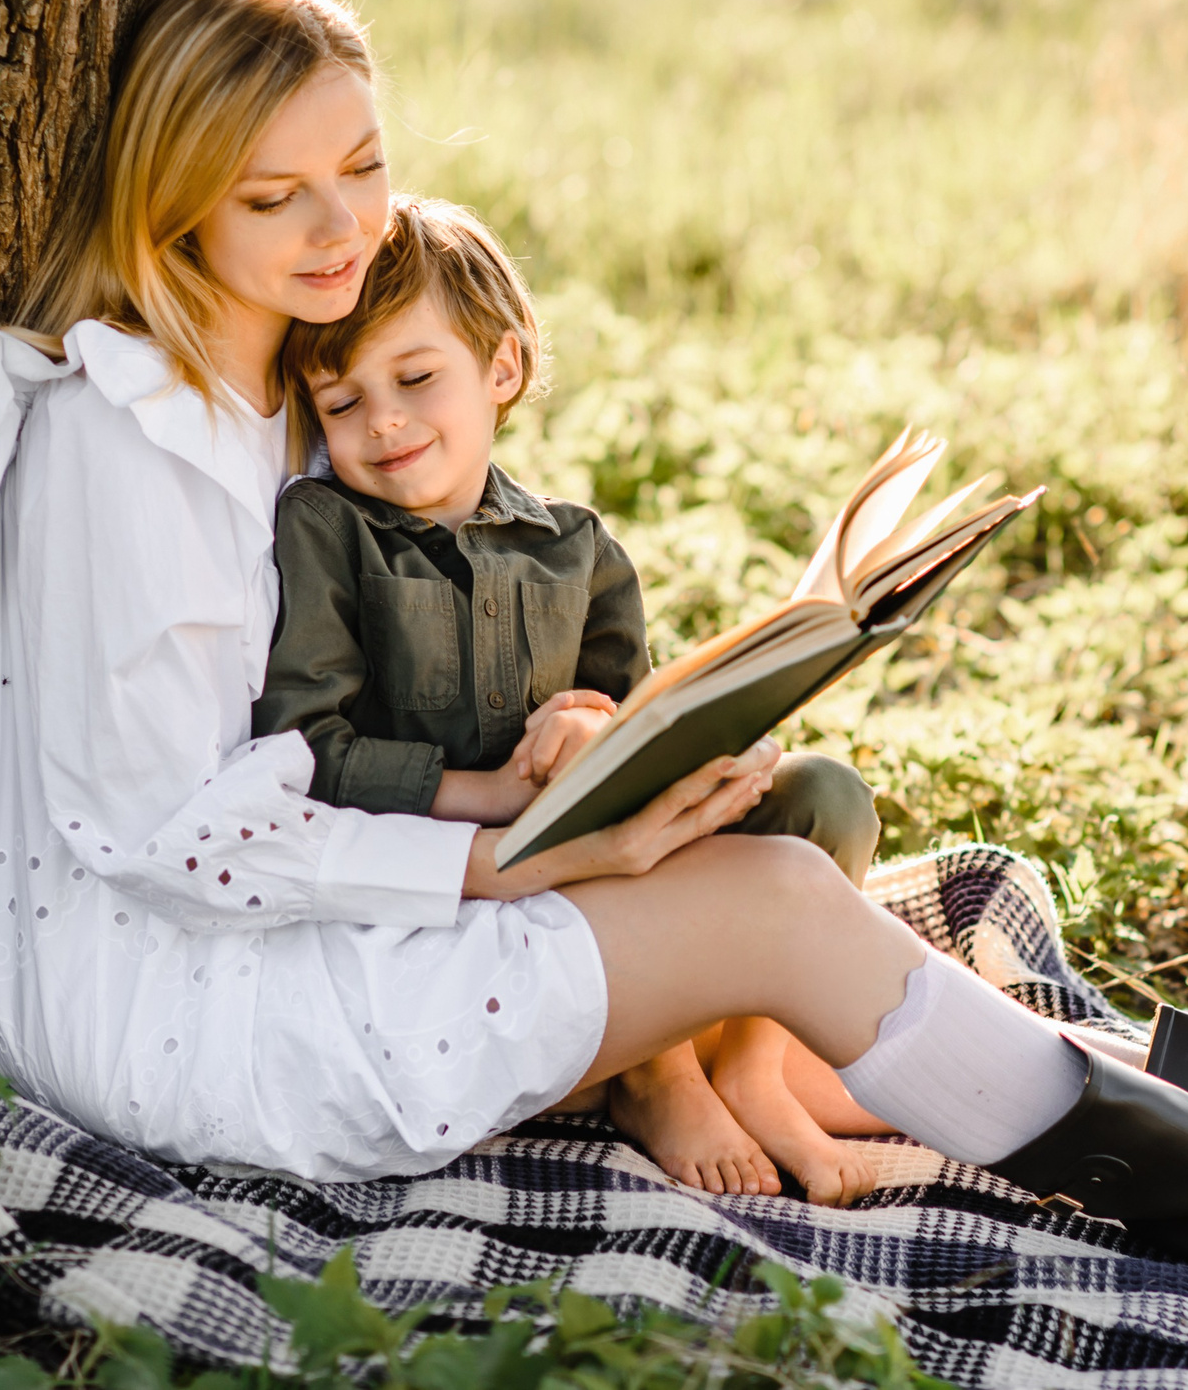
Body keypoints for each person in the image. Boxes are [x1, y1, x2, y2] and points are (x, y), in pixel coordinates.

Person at [0, 0, 1188, 1337]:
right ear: (179, 207)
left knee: (808, 923)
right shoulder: (115, 445)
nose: (338, 226)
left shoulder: (284, 382)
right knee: (772, 910)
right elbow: (153, 831)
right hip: (168, 1001)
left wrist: (591, 760)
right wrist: (526, 853)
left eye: (361, 165)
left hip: (307, 902)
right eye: (274, 194)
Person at [251, 192, 887, 1205]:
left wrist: (598, 723)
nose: (384, 421)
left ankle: (749, 1071)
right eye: (342, 402)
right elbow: (306, 744)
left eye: (416, 377)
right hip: (469, 884)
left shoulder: (573, 545)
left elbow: (640, 722)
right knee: (602, 857)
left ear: (499, 367)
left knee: (826, 800)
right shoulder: (327, 528)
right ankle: (653, 1071)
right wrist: (492, 791)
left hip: (606, 848)